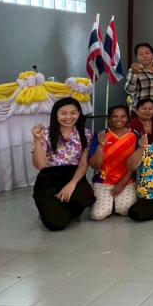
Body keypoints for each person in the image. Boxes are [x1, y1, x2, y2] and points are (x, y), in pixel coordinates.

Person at [30, 98, 95, 230]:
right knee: (56, 225)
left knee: (86, 196)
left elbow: (83, 164)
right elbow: (40, 165)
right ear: (56, 114)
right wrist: (37, 140)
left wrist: (71, 184)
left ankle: (62, 207)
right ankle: (50, 209)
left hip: (73, 176)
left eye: (73, 113)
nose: (68, 117)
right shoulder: (44, 134)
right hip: (49, 179)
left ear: (79, 114)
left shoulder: (86, 134)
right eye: (63, 113)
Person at [88, 105, 139, 220]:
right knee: (98, 215)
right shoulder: (100, 136)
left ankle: (114, 203)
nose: (119, 119)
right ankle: (104, 201)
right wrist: (101, 147)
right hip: (103, 182)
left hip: (127, 181)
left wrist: (122, 184)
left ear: (128, 118)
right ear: (109, 119)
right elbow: (95, 165)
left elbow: (135, 165)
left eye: (123, 116)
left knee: (125, 210)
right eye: (115, 116)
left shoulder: (135, 136)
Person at [125, 42, 153, 109]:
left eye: (147, 53)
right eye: (141, 54)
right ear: (137, 57)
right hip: (140, 110)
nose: (144, 56)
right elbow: (129, 90)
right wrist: (134, 73)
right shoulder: (134, 70)